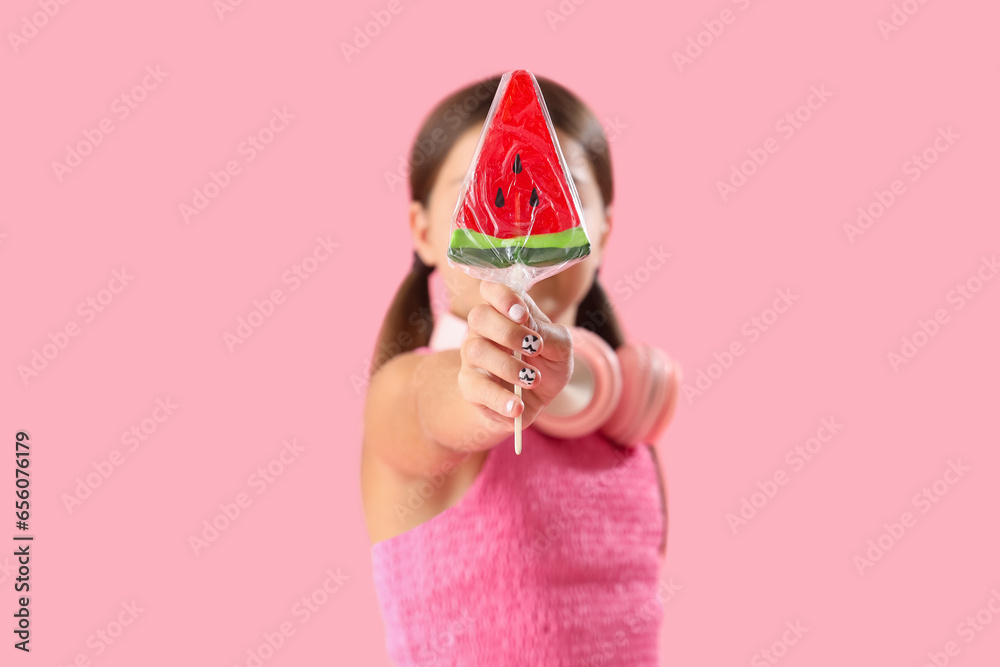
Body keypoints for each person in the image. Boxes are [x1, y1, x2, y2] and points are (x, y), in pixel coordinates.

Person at [361, 71, 670, 665]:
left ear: (601, 231)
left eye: (554, 190)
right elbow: (432, 411)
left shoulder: (619, 426)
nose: (522, 224)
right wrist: (483, 385)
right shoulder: (402, 392)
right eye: (488, 191)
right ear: (424, 233)